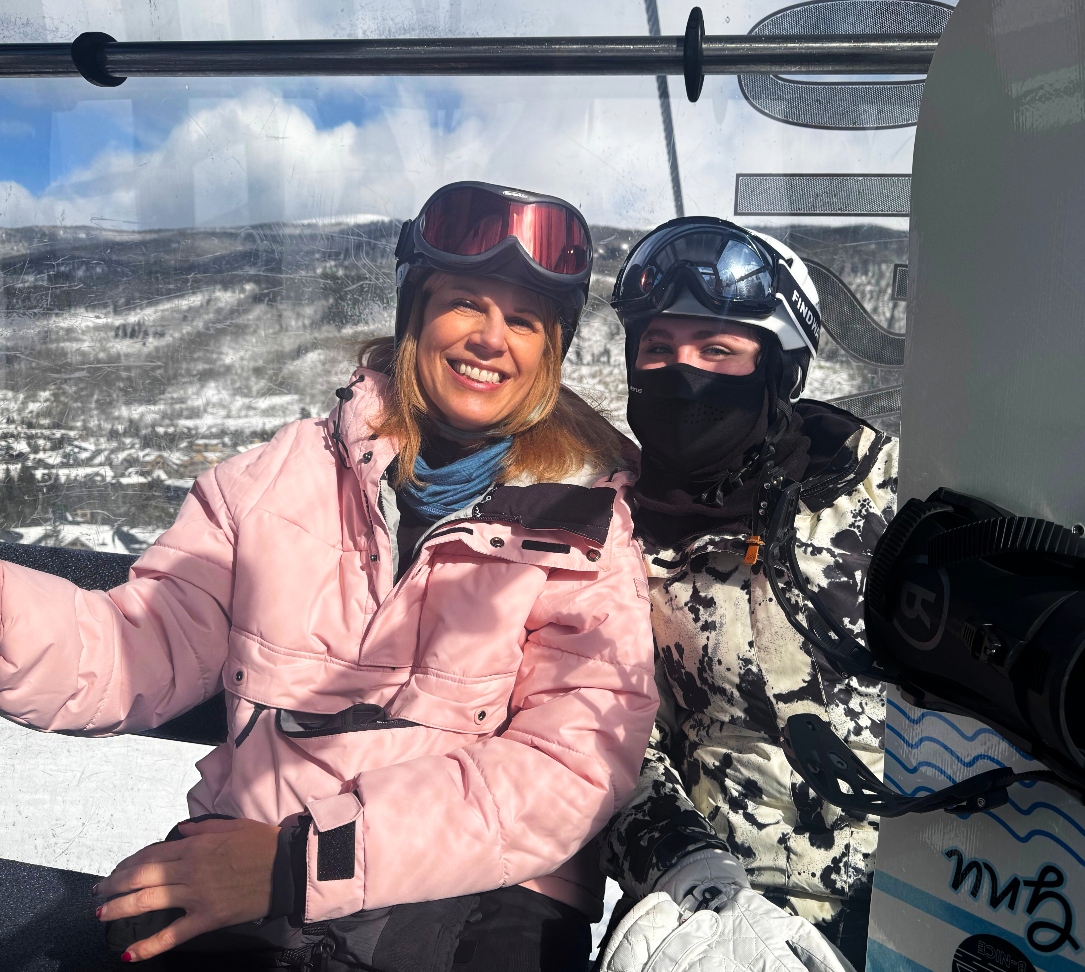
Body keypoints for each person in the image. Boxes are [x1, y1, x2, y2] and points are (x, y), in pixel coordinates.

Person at [0, 182, 658, 971]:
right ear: (415, 313)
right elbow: (136, 648)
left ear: (549, 352)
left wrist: (298, 864)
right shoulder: (276, 481)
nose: (491, 338)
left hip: (481, 894)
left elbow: (568, 765)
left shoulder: (581, 526)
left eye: (523, 320)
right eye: (463, 304)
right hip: (253, 865)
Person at [596, 217, 898, 971]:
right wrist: (694, 884)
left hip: (917, 894)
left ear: (775, 371)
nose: (682, 372)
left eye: (717, 350)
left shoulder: (883, 498)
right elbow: (608, 741)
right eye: (657, 349)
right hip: (726, 917)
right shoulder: (609, 540)